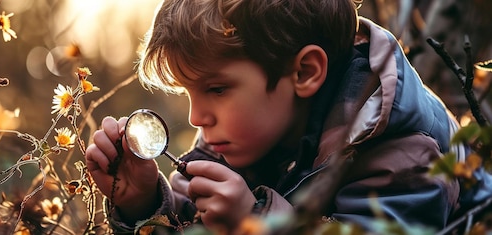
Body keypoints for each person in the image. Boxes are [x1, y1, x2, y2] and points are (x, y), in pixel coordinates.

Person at [85, 0, 469, 233]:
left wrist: (259, 223)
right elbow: (193, 223)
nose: (197, 117)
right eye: (189, 92)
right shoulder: (242, 133)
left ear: (304, 72)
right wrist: (144, 202)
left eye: (216, 89)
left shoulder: (406, 151)